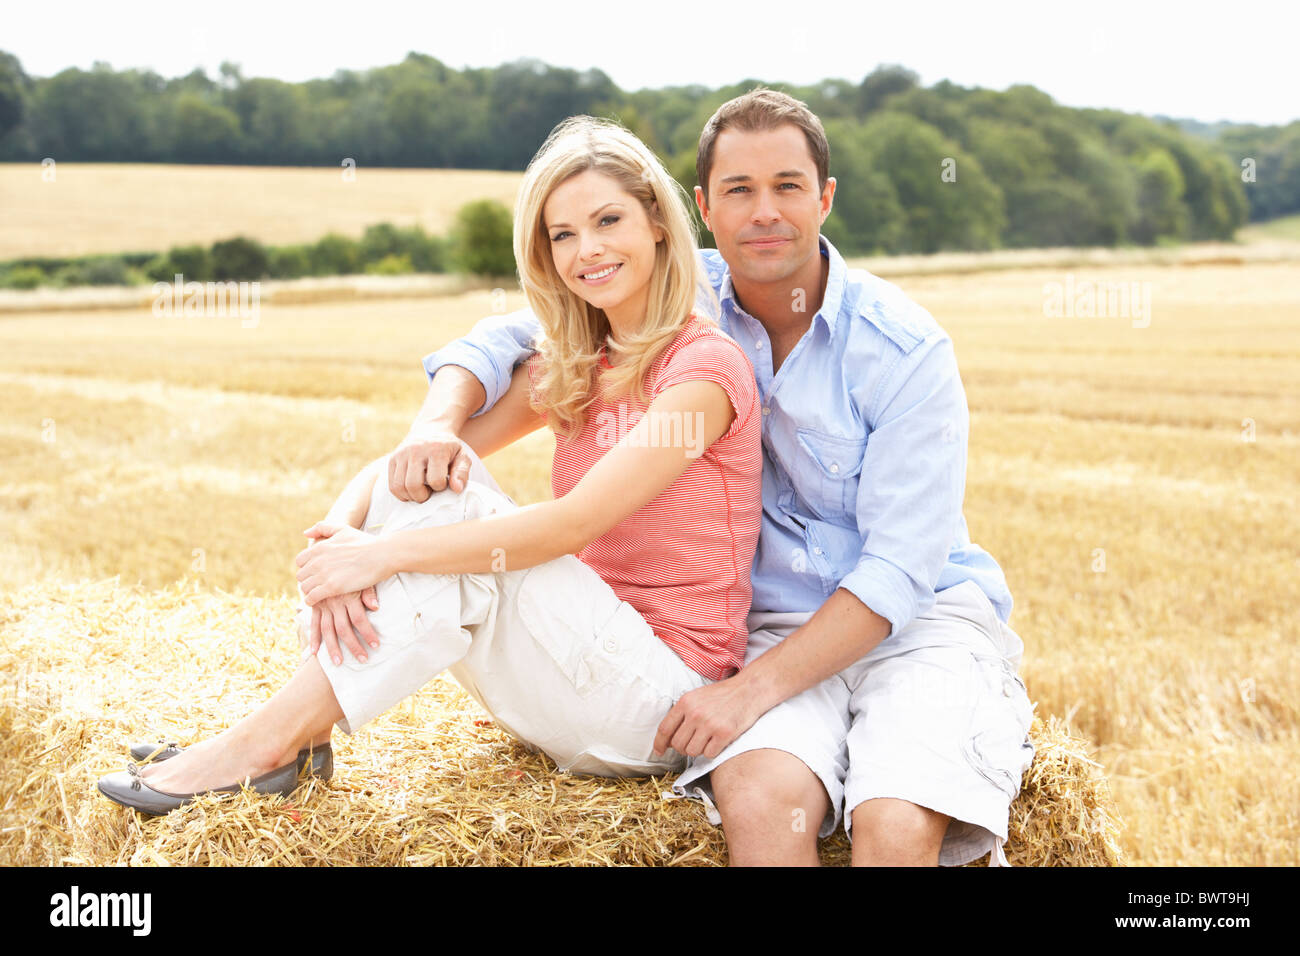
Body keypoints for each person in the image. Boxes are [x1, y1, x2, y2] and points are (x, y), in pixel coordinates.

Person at [402, 89, 1036, 866]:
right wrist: (436, 422)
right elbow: (508, 337)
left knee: (893, 826)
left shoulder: (905, 351)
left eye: (787, 186)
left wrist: (750, 691)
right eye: (739, 190)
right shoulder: (676, 289)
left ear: (826, 198)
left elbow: (898, 575)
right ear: (702, 208)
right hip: (769, 626)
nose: (763, 212)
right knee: (762, 803)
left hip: (919, 627)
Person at [96, 115, 763, 814]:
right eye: (562, 235)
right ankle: (291, 734)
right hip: (574, 673)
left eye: (607, 220)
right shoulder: (579, 361)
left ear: (658, 221)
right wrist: (339, 541)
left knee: (455, 506)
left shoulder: (703, 369)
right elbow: (413, 466)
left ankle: (261, 746)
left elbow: (573, 524)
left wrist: (380, 557)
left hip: (660, 701)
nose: (585, 250)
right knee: (439, 478)